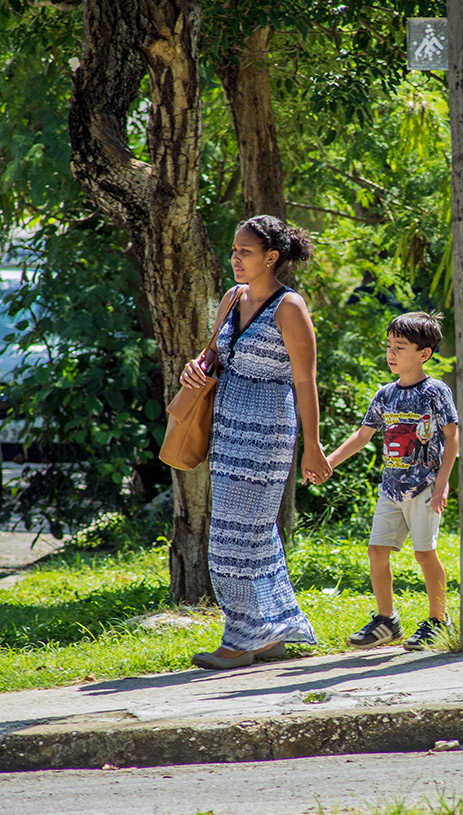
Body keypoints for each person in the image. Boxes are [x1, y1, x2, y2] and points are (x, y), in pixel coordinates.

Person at [181, 215, 332, 670]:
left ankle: (240, 637)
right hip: (228, 425)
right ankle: (271, 633)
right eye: (234, 250)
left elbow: (306, 382)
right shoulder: (232, 298)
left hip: (268, 428)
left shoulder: (290, 307)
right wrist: (197, 364)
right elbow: (214, 354)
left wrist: (314, 446)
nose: (236, 258)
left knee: (233, 537)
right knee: (255, 535)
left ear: (271, 257)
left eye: (245, 251)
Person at [321, 312, 459, 651]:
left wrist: (442, 483)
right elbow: (362, 436)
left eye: (400, 347)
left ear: (424, 354)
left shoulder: (436, 391)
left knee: (425, 554)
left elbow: (452, 437)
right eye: (389, 346)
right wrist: (329, 463)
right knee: (377, 551)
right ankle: (387, 621)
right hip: (391, 489)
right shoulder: (385, 394)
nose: (391, 354)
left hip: (425, 487)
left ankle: (439, 621)